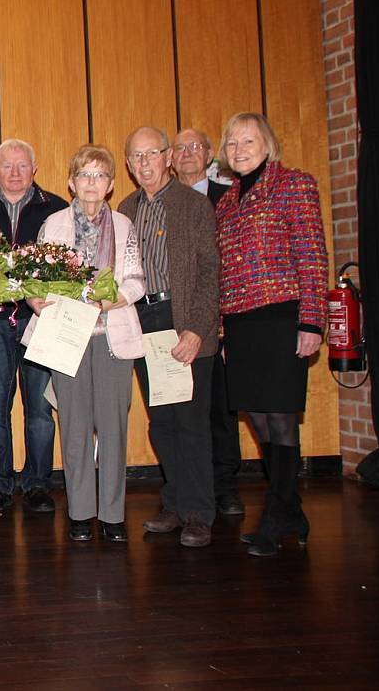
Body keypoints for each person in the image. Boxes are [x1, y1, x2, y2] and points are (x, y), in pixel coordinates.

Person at [215, 112, 328, 557]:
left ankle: (277, 514)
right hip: (241, 322)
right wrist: (223, 330)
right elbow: (224, 271)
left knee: (280, 417)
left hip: (282, 316)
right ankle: (291, 509)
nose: (239, 149)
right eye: (232, 143)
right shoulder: (227, 201)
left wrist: (312, 321)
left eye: (248, 141)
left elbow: (312, 254)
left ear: (268, 143)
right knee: (258, 418)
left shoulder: (294, 185)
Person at [31, 144, 145, 543]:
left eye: (99, 175)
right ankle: (80, 512)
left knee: (113, 428)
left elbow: (137, 281)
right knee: (74, 426)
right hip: (67, 337)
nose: (91, 182)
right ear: (71, 182)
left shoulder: (125, 225)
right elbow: (35, 279)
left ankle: (113, 514)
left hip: (112, 335)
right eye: (84, 174)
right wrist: (34, 299)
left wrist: (110, 300)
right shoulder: (52, 225)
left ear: (111, 184)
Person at [120, 126, 220, 548]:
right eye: (136, 156)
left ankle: (199, 512)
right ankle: (175, 503)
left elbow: (210, 272)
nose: (144, 163)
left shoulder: (194, 205)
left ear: (168, 158)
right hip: (144, 321)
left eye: (151, 154)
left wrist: (196, 329)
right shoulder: (125, 208)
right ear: (128, 165)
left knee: (191, 421)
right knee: (161, 422)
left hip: (184, 321)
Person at [0, 139, 68, 514]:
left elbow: (69, 265)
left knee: (40, 409)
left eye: (22, 165)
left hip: (40, 319)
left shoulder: (56, 209)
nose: (14, 172)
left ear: (34, 169)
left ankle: (38, 484)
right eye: (7, 166)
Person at [172, 128, 244, 517]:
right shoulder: (163, 202)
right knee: (179, 413)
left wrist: (220, 319)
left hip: (222, 319)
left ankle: (225, 486)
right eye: (180, 148)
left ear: (210, 154)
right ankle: (184, 489)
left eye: (195, 147)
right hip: (176, 324)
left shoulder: (228, 198)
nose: (187, 154)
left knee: (221, 409)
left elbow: (229, 262)